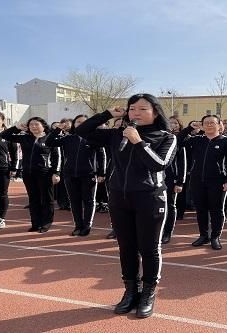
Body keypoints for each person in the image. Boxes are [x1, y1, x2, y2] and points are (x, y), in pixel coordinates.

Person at [75, 93, 177, 318]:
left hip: (150, 198)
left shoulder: (166, 137)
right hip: (119, 197)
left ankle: (148, 293)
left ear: (155, 112)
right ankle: (131, 291)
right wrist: (107, 114)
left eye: (142, 109)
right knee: (126, 247)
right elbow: (81, 131)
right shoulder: (116, 134)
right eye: (132, 109)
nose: (136, 113)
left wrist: (138, 142)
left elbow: (158, 165)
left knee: (149, 249)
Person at [177, 115, 227, 250]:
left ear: (219, 125)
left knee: (216, 210)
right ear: (202, 125)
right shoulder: (196, 140)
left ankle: (215, 237)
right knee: (201, 210)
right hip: (197, 180)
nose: (209, 125)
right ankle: (203, 236)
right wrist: (189, 129)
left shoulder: (226, 142)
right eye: (206, 123)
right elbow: (178, 141)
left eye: (212, 123)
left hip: (218, 181)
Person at [45, 115, 106, 236]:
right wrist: (58, 129)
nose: (81, 124)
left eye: (84, 122)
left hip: (89, 174)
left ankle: (87, 226)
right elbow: (49, 142)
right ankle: (78, 225)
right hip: (70, 174)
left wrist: (101, 173)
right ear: (74, 124)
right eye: (78, 122)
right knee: (74, 201)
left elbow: (101, 155)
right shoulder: (69, 138)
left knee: (89, 201)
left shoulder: (94, 138)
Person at [1, 117, 61, 233]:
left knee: (47, 199)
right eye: (31, 124)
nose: (33, 126)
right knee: (33, 199)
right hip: (28, 173)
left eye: (36, 124)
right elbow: (5, 136)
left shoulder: (50, 138)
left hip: (45, 173)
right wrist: (16, 128)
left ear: (43, 126)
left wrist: (56, 173)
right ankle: (36, 223)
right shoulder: (25, 138)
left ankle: (46, 223)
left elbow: (57, 157)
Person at [161, 116, 187, 244]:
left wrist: (180, 181)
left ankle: (167, 232)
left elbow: (182, 162)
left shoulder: (178, 140)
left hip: (171, 178)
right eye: (169, 122)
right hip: (156, 178)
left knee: (170, 206)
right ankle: (157, 231)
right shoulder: (158, 137)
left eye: (174, 123)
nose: (171, 125)